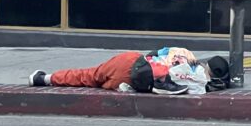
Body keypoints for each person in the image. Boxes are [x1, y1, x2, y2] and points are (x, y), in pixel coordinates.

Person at [28, 51, 189, 95]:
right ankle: (43, 79)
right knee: (90, 77)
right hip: (129, 73)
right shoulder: (173, 69)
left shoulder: (166, 64)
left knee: (88, 75)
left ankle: (44, 79)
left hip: (131, 62)